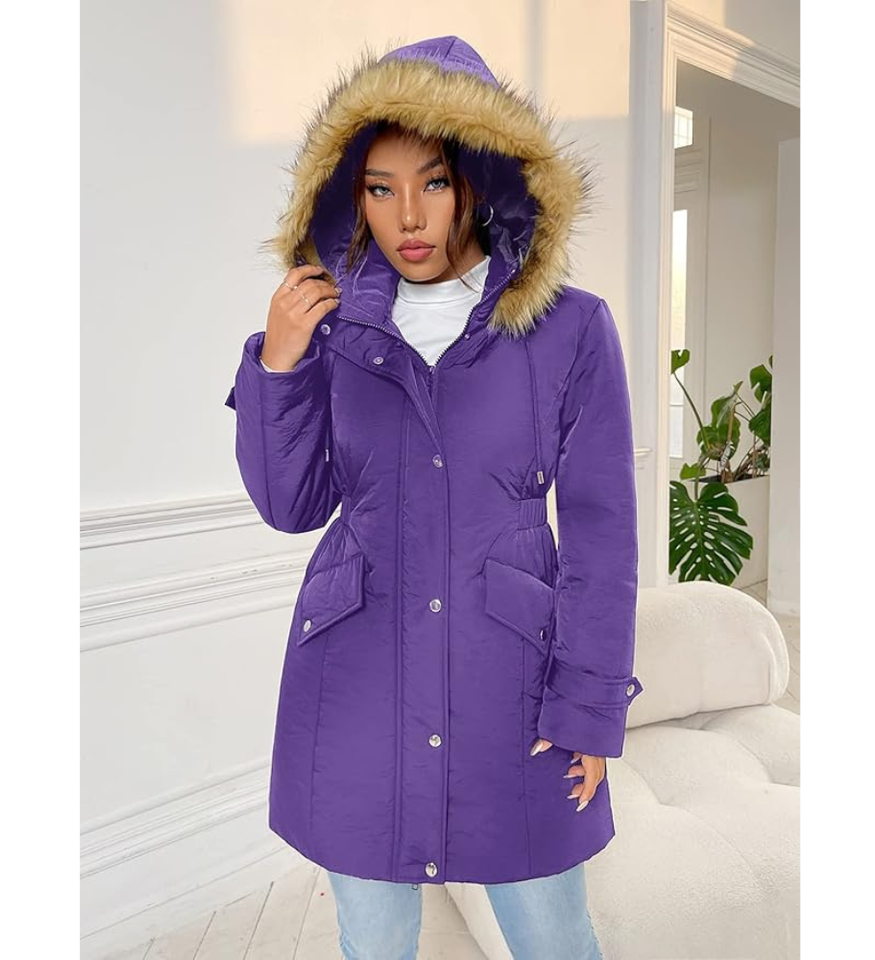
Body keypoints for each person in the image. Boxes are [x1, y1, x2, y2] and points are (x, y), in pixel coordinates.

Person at [225, 36, 643, 960]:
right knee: (372, 941)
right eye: (380, 188)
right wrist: (280, 364)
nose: (408, 216)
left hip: (512, 681)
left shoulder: (571, 327)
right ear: (350, 194)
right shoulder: (332, 329)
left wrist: (588, 706)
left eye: (434, 182)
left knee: (553, 938)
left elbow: (603, 531)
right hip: (358, 680)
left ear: (480, 180)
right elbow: (292, 505)